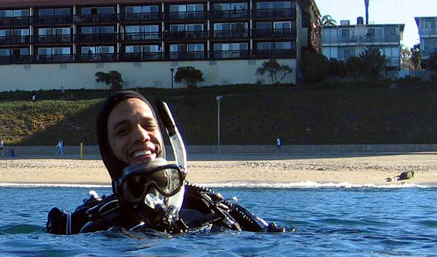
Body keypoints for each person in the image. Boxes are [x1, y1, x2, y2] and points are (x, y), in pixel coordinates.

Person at [46, 90, 289, 235]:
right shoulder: (88, 221)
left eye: (149, 126)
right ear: (107, 148)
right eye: (123, 131)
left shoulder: (209, 207)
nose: (141, 136)